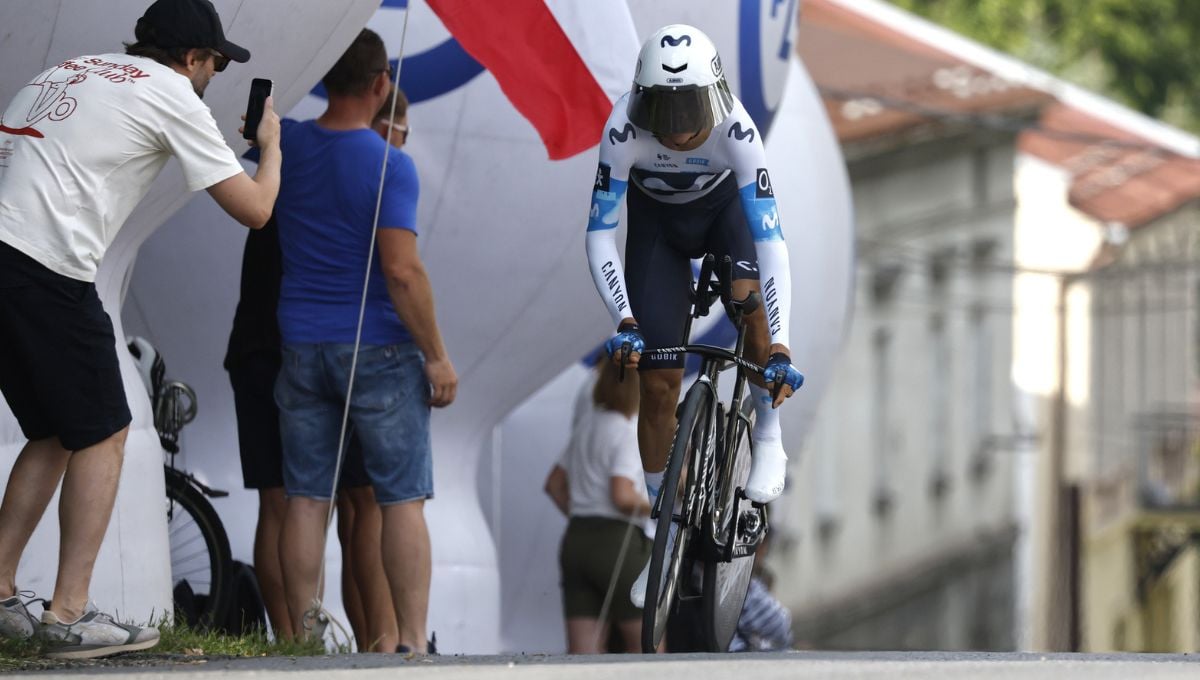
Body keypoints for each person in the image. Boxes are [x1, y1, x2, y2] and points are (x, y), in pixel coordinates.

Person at [0, 0, 280, 659]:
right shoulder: (174, 95)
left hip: (6, 253)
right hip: (46, 264)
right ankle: (68, 615)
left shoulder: (70, 69)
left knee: (53, 432)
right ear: (191, 59)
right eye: (214, 63)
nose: (214, 75)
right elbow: (256, 210)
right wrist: (268, 149)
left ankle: (2, 589)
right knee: (107, 428)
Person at [583, 24, 805, 608]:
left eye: (692, 108)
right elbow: (602, 235)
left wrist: (779, 343)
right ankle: (662, 535)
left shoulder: (738, 129)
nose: (679, 126)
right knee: (656, 388)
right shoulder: (622, 128)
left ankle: (768, 433)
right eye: (663, 108)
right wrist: (625, 318)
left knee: (747, 294)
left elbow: (772, 241)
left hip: (723, 215)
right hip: (658, 232)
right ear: (639, 99)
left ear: (717, 95)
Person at [273, 29, 455, 655]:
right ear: (382, 86)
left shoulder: (289, 144)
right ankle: (408, 642)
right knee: (401, 498)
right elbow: (402, 271)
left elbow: (255, 128)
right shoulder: (390, 163)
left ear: (323, 77)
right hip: (379, 347)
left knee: (306, 497)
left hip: (299, 343)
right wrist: (436, 353)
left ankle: (303, 637)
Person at [545, 361, 652, 654]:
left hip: (577, 538)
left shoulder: (586, 427)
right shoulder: (630, 432)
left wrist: (582, 513)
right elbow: (622, 495)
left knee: (583, 652)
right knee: (646, 645)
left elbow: (554, 485)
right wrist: (656, 508)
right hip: (618, 542)